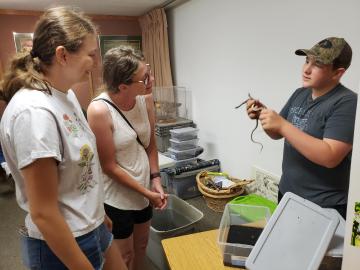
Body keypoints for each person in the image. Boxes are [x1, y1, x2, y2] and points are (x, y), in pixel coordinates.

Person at [0, 6, 126, 270]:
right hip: (63, 241)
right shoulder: (35, 113)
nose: (96, 63)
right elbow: (44, 213)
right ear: (62, 55)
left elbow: (79, 167)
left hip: (90, 225)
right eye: (91, 54)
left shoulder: (63, 94)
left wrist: (97, 213)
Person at [246, 37, 357, 219]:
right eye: (307, 61)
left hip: (322, 205)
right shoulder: (300, 93)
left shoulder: (347, 102)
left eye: (318, 64)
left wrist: (281, 124)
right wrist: (264, 115)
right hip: (288, 193)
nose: (306, 69)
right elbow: (277, 133)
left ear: (338, 73)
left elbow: (330, 156)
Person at [87, 47, 168, 270]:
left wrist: (156, 180)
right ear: (123, 86)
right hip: (117, 198)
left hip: (144, 190)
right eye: (145, 78)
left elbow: (150, 144)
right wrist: (148, 194)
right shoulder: (99, 110)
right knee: (125, 256)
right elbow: (109, 166)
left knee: (141, 245)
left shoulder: (145, 99)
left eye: (149, 71)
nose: (151, 79)